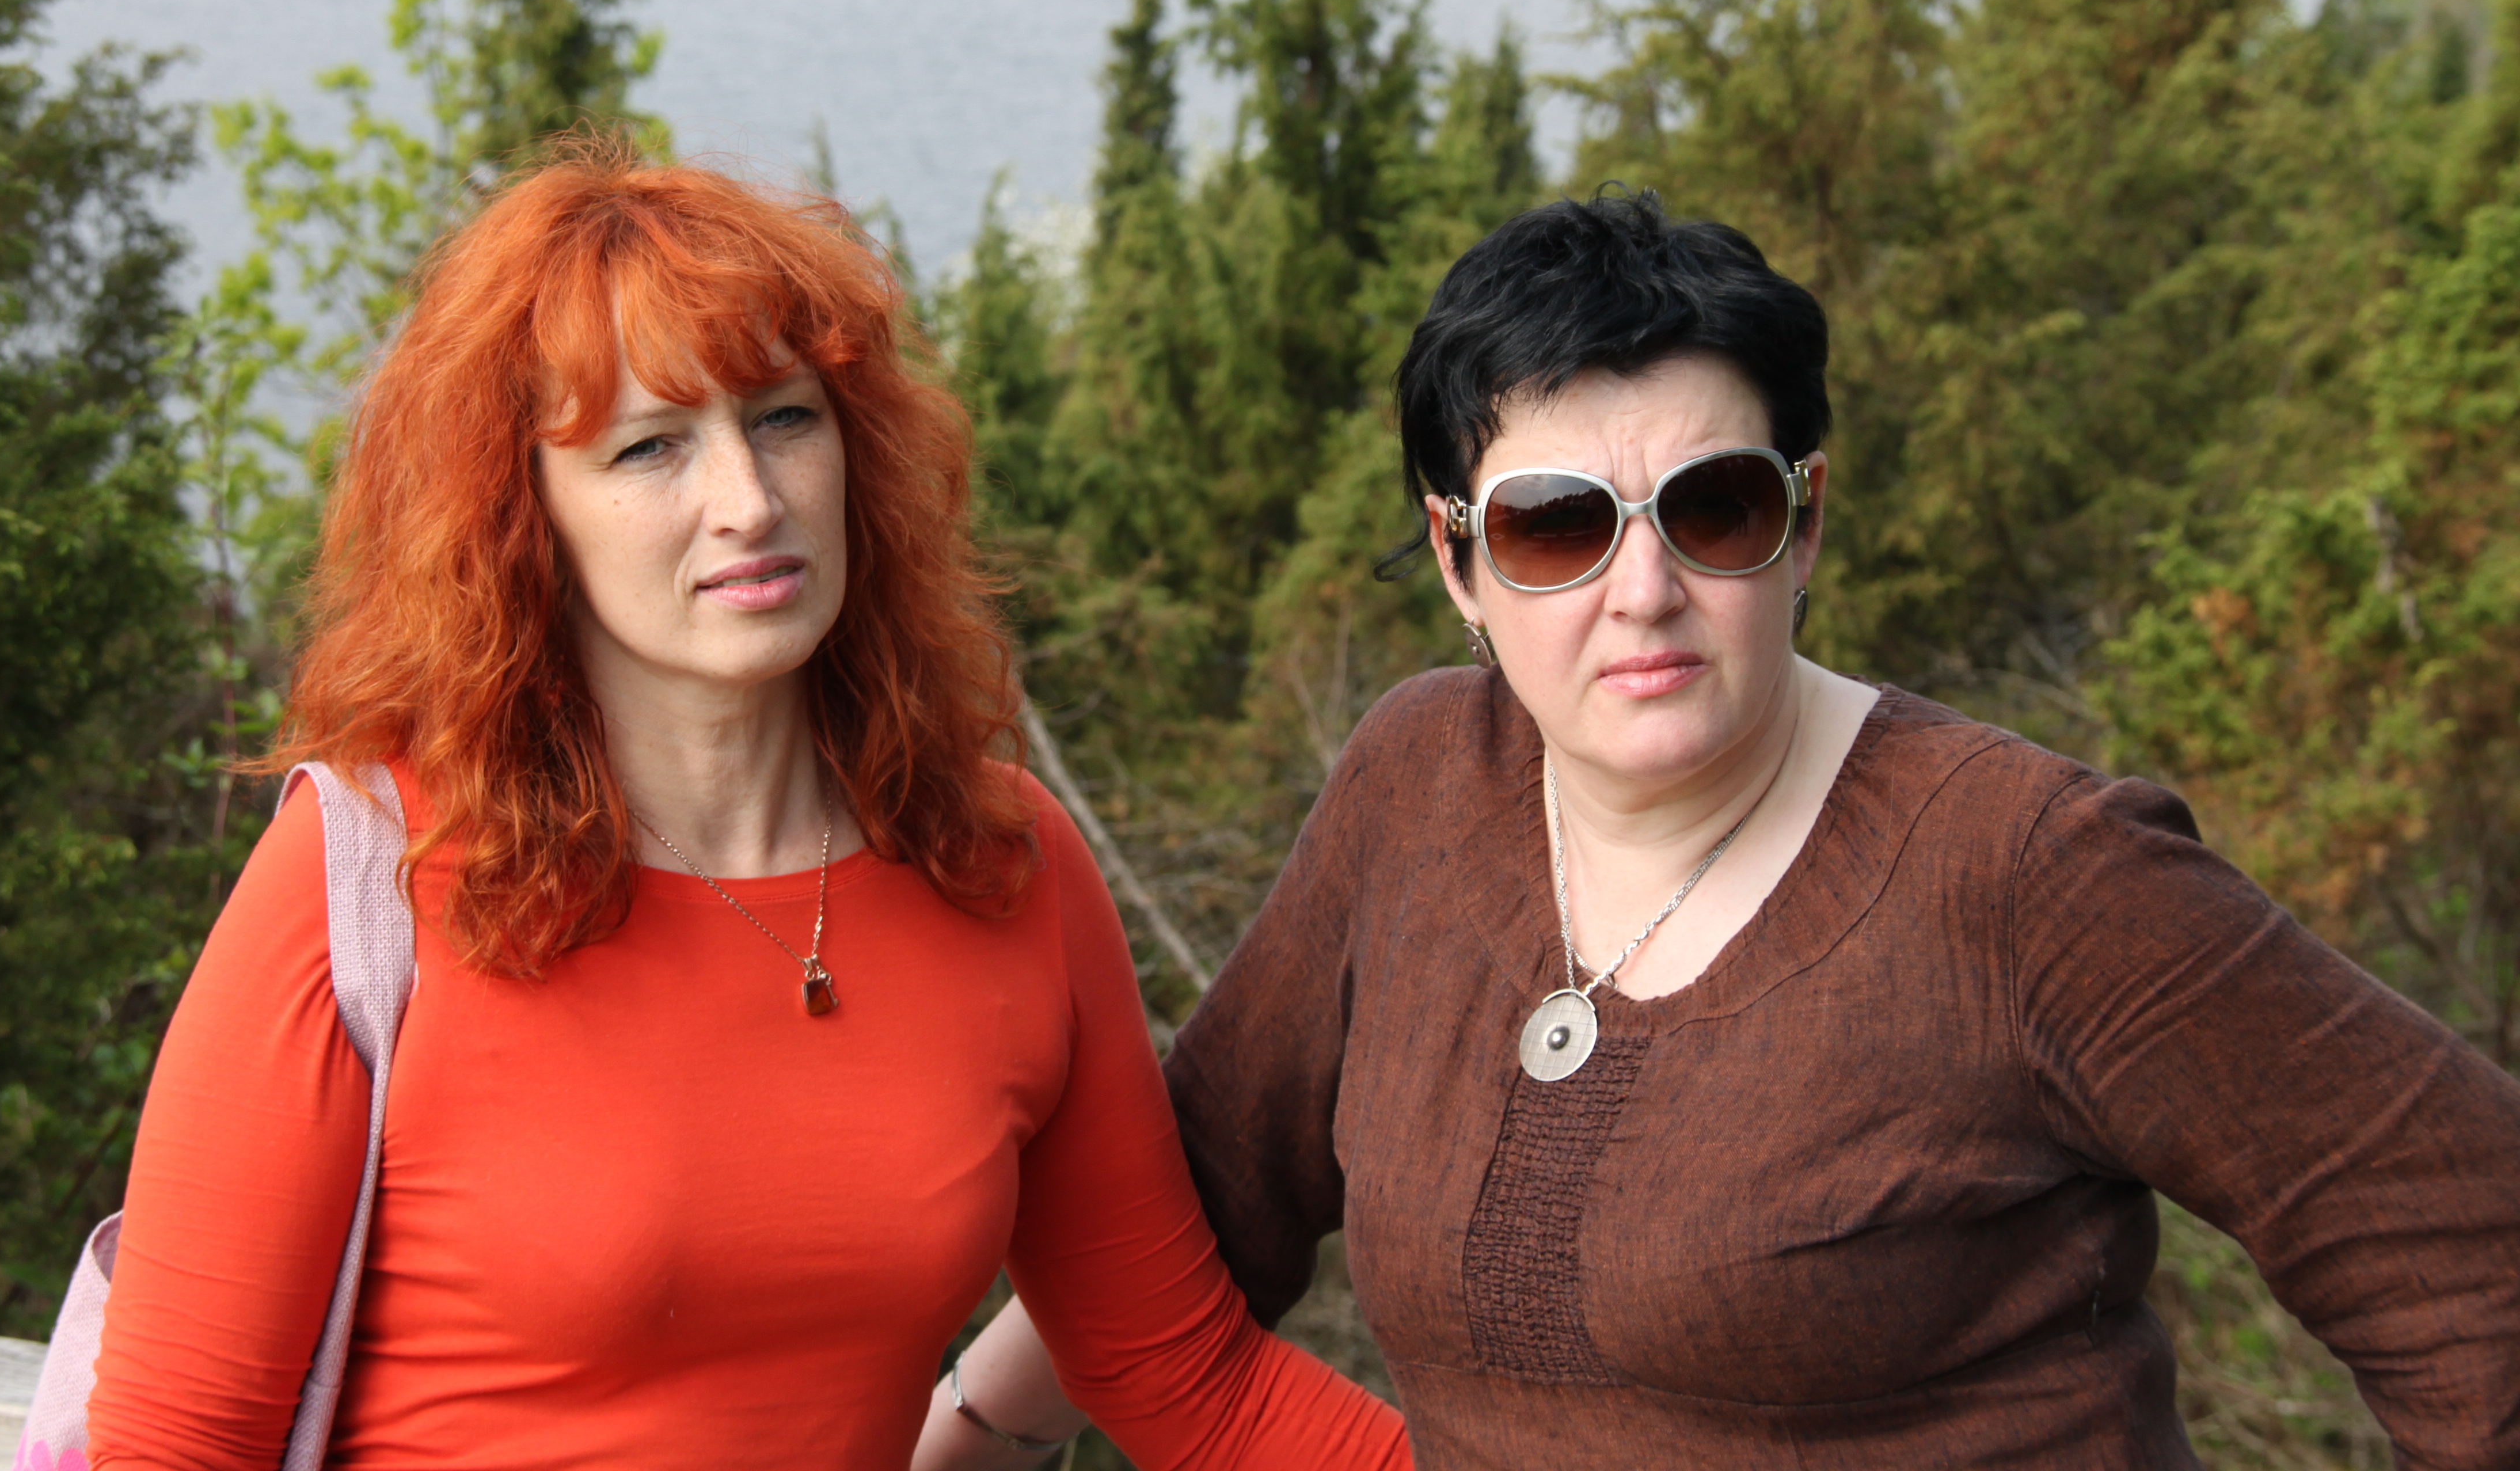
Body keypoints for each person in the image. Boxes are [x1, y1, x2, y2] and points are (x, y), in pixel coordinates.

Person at [940, 189, 2520, 1468]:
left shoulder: (2034, 875)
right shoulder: (1416, 785)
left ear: (1805, 520)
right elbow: (1196, 1211)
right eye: (1555, 526)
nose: (1644, 592)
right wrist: (956, 1440)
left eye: (1715, 509)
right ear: (1456, 560)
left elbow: (2473, 1259)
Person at [85, 146, 1411, 1470]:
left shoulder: (1000, 863)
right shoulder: (370, 876)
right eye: (650, 446)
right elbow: (173, 1449)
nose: (750, 502)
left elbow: (1187, 1379)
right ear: (521, 514)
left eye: (783, 418)